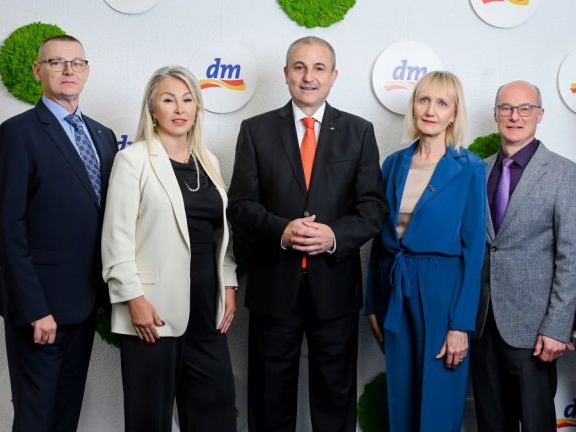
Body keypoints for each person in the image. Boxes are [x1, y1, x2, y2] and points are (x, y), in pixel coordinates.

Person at [227, 36, 388, 432]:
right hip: (273, 289)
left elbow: (373, 209)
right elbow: (241, 206)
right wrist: (282, 231)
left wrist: (333, 236)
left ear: (333, 76)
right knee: (269, 401)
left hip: (334, 290)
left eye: (319, 68)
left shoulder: (359, 131)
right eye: (299, 67)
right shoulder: (255, 130)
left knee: (335, 400)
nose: (308, 77)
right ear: (286, 74)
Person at [0, 35, 117, 432]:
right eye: (56, 62)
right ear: (37, 71)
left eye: (77, 63)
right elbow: (6, 228)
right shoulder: (16, 134)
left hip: (85, 303)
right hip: (39, 309)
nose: (68, 70)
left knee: (66, 414)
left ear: (87, 71)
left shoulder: (103, 136)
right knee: (36, 417)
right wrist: (35, 309)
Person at [101, 65, 238, 432]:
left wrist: (229, 283)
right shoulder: (133, 160)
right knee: (150, 421)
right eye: (168, 99)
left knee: (216, 416)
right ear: (152, 109)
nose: (179, 108)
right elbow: (116, 239)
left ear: (197, 108)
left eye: (187, 99)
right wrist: (134, 299)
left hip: (206, 313)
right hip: (153, 313)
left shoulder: (209, 162)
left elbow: (220, 236)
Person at [364, 71, 486, 431]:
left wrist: (460, 324)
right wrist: (373, 303)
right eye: (424, 100)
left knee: (438, 403)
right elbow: (379, 240)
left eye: (442, 103)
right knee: (401, 401)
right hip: (395, 290)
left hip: (442, 293)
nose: (431, 110)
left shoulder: (469, 167)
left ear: (454, 113)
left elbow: (474, 251)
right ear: (414, 106)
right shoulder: (394, 163)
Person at [471, 80, 576, 432]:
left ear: (540, 115)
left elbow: (573, 256)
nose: (515, 116)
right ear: (495, 114)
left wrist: (557, 327)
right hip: (481, 324)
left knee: (536, 423)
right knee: (491, 423)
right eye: (506, 108)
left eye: (525, 108)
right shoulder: (477, 171)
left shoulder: (565, 174)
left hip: (534, 330)